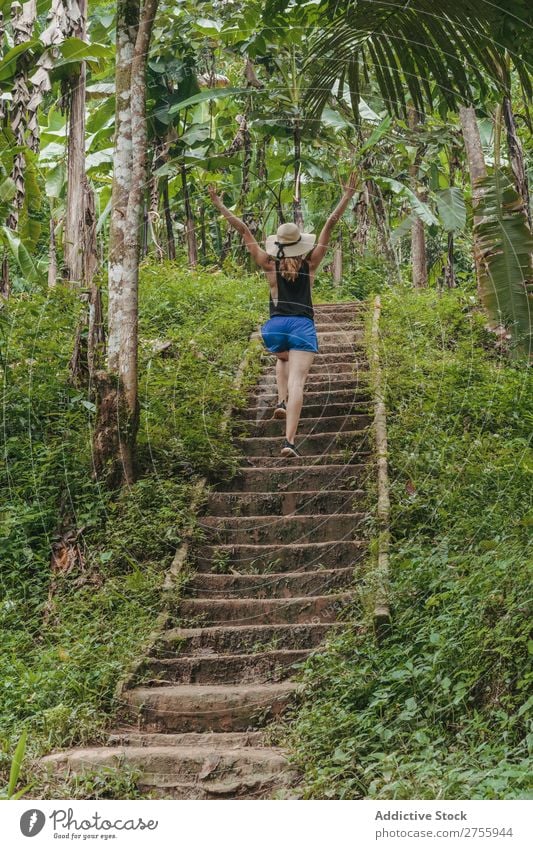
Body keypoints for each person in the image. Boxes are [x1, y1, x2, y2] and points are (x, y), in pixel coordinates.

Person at [207, 172, 359, 457]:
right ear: (300, 243)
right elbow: (331, 223)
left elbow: (243, 231)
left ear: (278, 243)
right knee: (298, 380)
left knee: (282, 356)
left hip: (274, 327)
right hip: (302, 325)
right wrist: (347, 196)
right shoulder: (311, 263)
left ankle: (280, 400)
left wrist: (218, 203)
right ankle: (289, 441)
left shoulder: (267, 263)